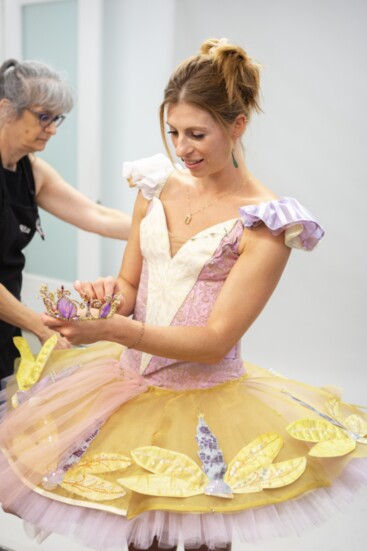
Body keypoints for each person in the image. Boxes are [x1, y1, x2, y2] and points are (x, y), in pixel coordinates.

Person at [0, 38, 366, 551]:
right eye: (173, 132)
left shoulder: (266, 222)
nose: (182, 148)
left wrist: (117, 329)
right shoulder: (154, 186)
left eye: (197, 133)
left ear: (238, 126)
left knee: (200, 538)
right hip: (126, 386)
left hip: (206, 401)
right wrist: (108, 298)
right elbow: (129, 286)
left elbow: (215, 340)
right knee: (142, 536)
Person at [0, 58, 131, 379]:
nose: (53, 128)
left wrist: (168, 226)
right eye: (44, 117)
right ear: (5, 109)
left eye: (57, 118)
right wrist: (41, 327)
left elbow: (95, 215)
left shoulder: (31, 170)